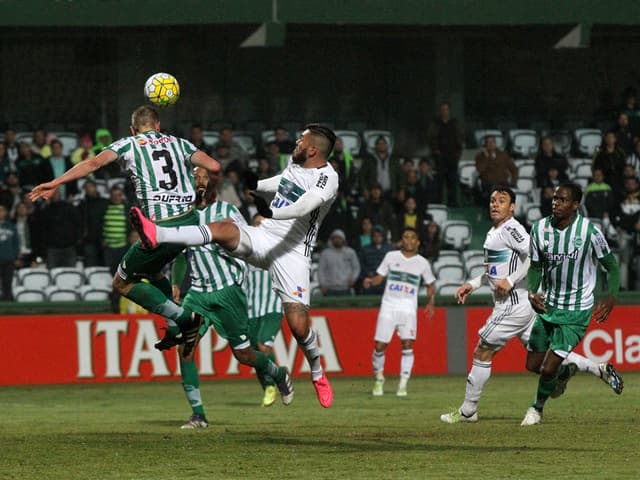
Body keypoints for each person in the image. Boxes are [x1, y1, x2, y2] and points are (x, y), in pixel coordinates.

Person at [129, 124, 339, 408]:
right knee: (223, 230)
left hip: (293, 254)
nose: (296, 143)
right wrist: (259, 186)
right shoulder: (294, 163)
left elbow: (305, 205)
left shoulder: (328, 178)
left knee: (299, 328)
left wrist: (272, 210)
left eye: (301, 141)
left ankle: (317, 372)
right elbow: (284, 182)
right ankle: (158, 234)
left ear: (313, 149)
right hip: (265, 238)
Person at [29, 105, 221, 357]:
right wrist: (198, 183)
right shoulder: (180, 143)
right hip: (190, 221)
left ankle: (185, 318)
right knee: (151, 271)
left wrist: (55, 182)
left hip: (161, 226)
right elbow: (215, 166)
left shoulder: (129, 143)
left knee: (121, 283)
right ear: (158, 125)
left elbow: (94, 163)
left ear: (133, 129)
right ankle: (174, 327)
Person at [440, 187, 623, 424]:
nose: (495, 204)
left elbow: (533, 257)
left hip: (514, 303)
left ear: (513, 207)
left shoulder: (512, 229)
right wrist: (474, 283)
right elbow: (495, 273)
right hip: (527, 304)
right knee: (541, 361)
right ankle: (591, 369)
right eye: (492, 200)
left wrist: (513, 280)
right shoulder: (495, 231)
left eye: (502, 201)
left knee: (482, 351)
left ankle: (468, 411)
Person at [167, 167, 292, 429]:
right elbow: (179, 254)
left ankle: (278, 374)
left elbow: (246, 243)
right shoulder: (182, 216)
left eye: (204, 177)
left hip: (227, 290)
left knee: (244, 355)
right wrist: (176, 283)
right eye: (195, 178)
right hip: (198, 294)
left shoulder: (226, 211)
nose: (200, 181)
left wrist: (225, 247)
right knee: (184, 349)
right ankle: (198, 414)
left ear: (212, 183)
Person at [521, 182, 622, 426]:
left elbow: (612, 266)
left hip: (576, 311)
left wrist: (612, 296)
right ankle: (566, 371)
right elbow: (535, 266)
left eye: (562, 200)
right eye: (555, 198)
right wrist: (532, 292)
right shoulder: (539, 229)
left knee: (547, 369)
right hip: (548, 306)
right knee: (533, 365)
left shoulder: (589, 232)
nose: (556, 203)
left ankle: (537, 409)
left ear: (575, 205)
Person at [363, 227, 436, 397]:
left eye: (412, 237)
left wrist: (431, 303)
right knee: (380, 346)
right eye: (406, 237)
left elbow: (430, 285)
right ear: (401, 240)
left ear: (417, 242)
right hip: (388, 306)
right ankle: (379, 378)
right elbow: (380, 277)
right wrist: (371, 281)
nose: (409, 240)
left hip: (408, 309)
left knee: (407, 344)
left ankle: (403, 383)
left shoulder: (422, 263)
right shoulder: (391, 257)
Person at [244, 216, 285, 407]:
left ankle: (278, 379)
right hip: (251, 308)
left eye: (263, 223)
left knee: (263, 346)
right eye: (257, 223)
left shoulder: (278, 247)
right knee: (253, 354)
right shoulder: (245, 249)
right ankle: (269, 386)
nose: (261, 226)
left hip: (272, 305)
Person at [427, 101, 464, 207]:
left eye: (446, 109)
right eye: (442, 109)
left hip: (453, 156)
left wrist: (458, 152)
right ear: (440, 111)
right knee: (439, 180)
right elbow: (430, 138)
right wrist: (435, 150)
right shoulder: (435, 123)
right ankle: (438, 201)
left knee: (452, 180)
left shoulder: (454, 123)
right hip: (439, 156)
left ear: (449, 111)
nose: (444, 111)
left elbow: (460, 137)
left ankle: (452, 201)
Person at [475, 135, 518, 206]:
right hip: (488, 184)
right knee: (494, 191)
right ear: (485, 145)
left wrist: (514, 182)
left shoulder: (503, 155)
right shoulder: (480, 157)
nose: (491, 144)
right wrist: (486, 157)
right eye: (488, 142)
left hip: (503, 183)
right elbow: (480, 169)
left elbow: (514, 169)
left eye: (492, 142)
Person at [317, 229, 360, 296]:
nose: (337, 240)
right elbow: (321, 270)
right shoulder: (325, 253)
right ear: (331, 240)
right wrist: (323, 285)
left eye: (339, 238)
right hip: (329, 288)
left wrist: (353, 279)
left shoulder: (350, 252)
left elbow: (356, 267)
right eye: (334, 238)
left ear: (343, 239)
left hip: (346, 288)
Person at [0, 204, 19, 301]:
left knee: (7, 282)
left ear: (5, 212)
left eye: (2, 210)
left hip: (8, 259)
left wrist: (15, 257)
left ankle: (8, 303)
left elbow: (16, 243)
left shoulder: (11, 226)